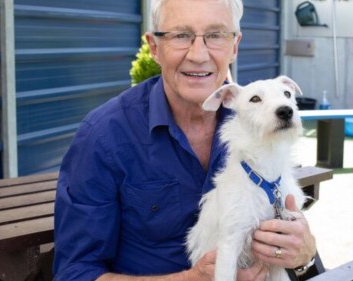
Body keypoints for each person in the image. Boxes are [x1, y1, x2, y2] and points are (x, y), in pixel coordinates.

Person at [52, 0, 317, 280]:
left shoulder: (257, 122)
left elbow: (292, 243)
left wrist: (304, 254)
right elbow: (75, 273)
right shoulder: (103, 136)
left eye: (215, 35)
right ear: (154, 47)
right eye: (181, 35)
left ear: (234, 46)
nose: (198, 54)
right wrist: (189, 279)